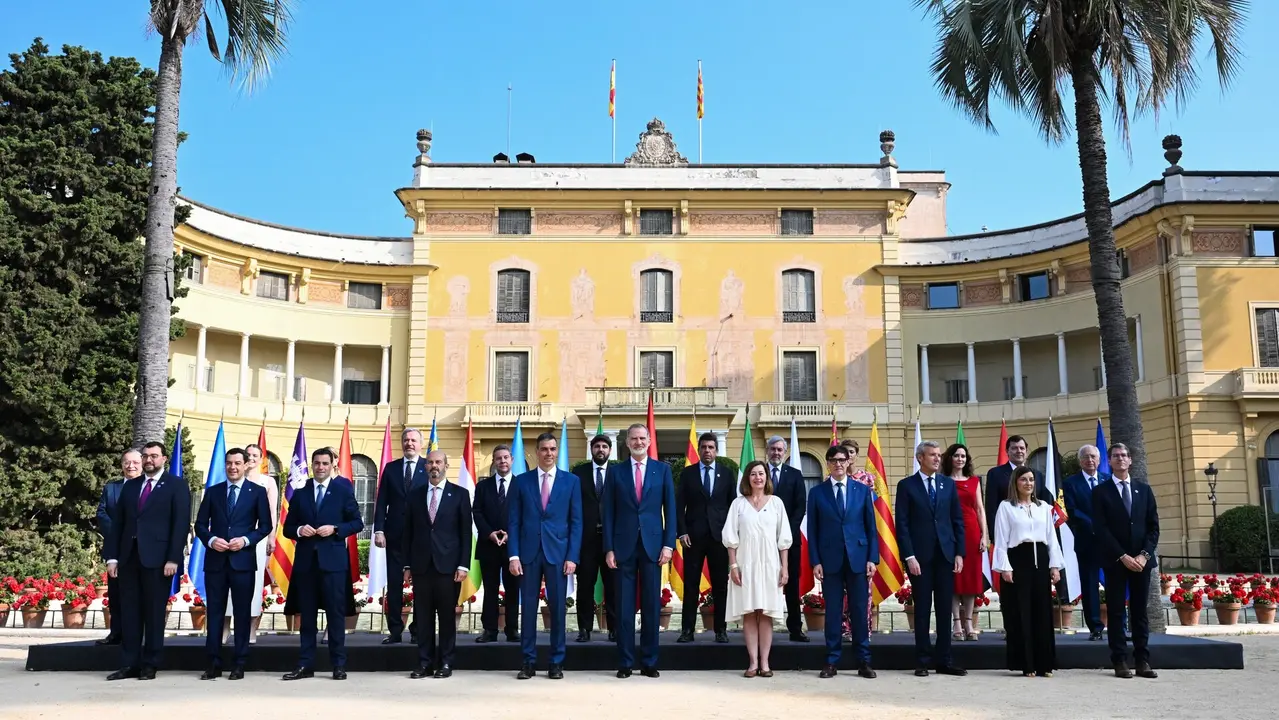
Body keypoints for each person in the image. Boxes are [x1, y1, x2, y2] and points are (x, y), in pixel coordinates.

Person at [105, 441, 192, 681]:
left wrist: (173, 558)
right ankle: (129, 664)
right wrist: (112, 557)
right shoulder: (131, 487)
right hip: (129, 558)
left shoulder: (177, 485)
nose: (148, 460)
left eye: (153, 456)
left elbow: (180, 524)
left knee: (154, 613)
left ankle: (150, 664)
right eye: (145, 456)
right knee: (130, 612)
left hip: (158, 560)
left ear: (164, 459)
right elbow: (118, 524)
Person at [282, 448, 364, 681]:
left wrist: (336, 529)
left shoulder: (342, 490)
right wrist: (299, 530)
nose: (320, 467)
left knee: (335, 617)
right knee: (306, 618)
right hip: (307, 564)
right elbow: (288, 528)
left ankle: (338, 665)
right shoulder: (300, 492)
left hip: (334, 564)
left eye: (325, 463)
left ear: (332, 465)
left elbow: (357, 522)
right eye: (316, 463)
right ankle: (305, 665)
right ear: (312, 465)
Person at [194, 448, 274, 680]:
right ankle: (213, 663)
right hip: (216, 562)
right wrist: (211, 540)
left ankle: (239, 663)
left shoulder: (257, 492)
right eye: (229, 463)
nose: (233, 467)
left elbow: (265, 526)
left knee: (241, 613)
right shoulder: (213, 492)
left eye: (238, 463)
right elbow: (200, 525)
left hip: (243, 562)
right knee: (215, 613)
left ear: (245, 464)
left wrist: (246, 540)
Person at [603, 423, 676, 679]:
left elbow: (671, 511)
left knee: (651, 607)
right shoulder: (615, 472)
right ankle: (624, 662)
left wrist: (669, 545)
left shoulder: (662, 471)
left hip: (653, 547)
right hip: (622, 548)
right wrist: (609, 548)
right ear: (627, 442)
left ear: (649, 441)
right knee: (623, 608)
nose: (638, 442)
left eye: (642, 438)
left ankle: (649, 661)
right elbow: (608, 513)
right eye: (633, 438)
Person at [508, 432, 583, 680]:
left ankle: (556, 662)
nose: (549, 453)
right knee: (528, 609)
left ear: (556, 451)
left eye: (552, 449)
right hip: (528, 554)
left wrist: (572, 556)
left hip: (559, 555)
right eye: (544, 449)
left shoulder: (571, 481)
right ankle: (528, 662)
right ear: (536, 452)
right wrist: (513, 556)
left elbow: (576, 522)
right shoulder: (521, 481)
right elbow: (514, 522)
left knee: (558, 610)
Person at [895, 440, 967, 677]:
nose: (937, 458)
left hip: (946, 556)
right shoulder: (907, 486)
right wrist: (909, 556)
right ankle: (923, 661)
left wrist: (959, 552)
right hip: (920, 559)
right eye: (932, 455)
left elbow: (957, 520)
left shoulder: (947, 485)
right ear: (920, 458)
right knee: (923, 609)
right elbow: (902, 525)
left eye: (938, 455)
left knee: (945, 610)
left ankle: (944, 660)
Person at [808, 445, 879, 679]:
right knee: (834, 613)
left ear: (848, 462)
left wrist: (872, 558)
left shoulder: (862, 490)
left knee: (860, 611)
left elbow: (871, 527)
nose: (838, 463)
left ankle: (864, 661)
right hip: (830, 561)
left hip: (858, 559)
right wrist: (815, 561)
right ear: (828, 464)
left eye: (842, 459)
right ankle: (831, 661)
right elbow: (813, 530)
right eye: (833, 460)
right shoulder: (817, 493)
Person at [1091, 443, 1160, 679]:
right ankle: (1119, 660)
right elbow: (1101, 529)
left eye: (1124, 455)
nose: (1120, 459)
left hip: (1142, 562)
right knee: (1117, 612)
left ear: (1130, 460)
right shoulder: (1101, 492)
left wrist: (1143, 556)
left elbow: (1153, 529)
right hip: (1115, 561)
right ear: (1108, 461)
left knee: (1140, 612)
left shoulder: (1144, 490)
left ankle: (1143, 661)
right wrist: (1122, 556)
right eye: (1115, 456)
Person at [403, 450, 472, 679]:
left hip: (448, 567)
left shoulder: (460, 494)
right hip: (422, 566)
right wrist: (406, 566)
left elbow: (465, 532)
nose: (434, 466)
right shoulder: (415, 494)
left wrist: (463, 565)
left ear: (446, 465)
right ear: (425, 466)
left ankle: (446, 662)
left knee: (446, 618)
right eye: (430, 462)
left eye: (438, 462)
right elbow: (409, 532)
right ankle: (425, 663)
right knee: (422, 618)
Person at [723, 460, 793, 678]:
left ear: (766, 477)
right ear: (748, 478)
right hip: (745, 564)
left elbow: (784, 539)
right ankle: (752, 663)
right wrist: (733, 565)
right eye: (753, 474)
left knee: (765, 613)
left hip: (770, 564)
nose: (758, 478)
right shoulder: (738, 504)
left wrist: (785, 568)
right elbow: (730, 538)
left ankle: (765, 663)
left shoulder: (776, 503)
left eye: (761, 473)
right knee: (749, 613)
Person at [992, 466, 1063, 677]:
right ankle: (1027, 664)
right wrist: (1005, 567)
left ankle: (1045, 664)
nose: (1028, 483)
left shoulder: (1044, 508)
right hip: (1017, 561)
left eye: (1031, 479)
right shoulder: (1006, 507)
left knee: (1042, 612)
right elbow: (1001, 540)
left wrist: (1055, 565)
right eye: (1024, 479)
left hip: (1040, 561)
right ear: (1015, 482)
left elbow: (1052, 539)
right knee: (1020, 612)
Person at [676, 432, 735, 644]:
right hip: (693, 537)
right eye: (704, 447)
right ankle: (687, 631)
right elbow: (678, 506)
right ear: (698, 450)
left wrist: (731, 535)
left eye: (711, 447)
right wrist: (681, 531)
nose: (707, 451)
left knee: (721, 585)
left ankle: (721, 630)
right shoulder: (688, 474)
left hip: (719, 538)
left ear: (716, 450)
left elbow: (732, 507)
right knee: (691, 585)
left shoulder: (727, 474)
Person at [374, 428, 425, 644]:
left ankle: (417, 629)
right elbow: (382, 500)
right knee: (394, 585)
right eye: (406, 440)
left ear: (420, 444)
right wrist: (379, 529)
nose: (409, 443)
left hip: (421, 537)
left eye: (413, 440)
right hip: (394, 536)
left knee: (422, 586)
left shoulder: (429, 466)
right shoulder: (391, 468)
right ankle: (395, 630)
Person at [225, 443, 278, 645]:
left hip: (257, 538)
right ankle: (225, 627)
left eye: (256, 455)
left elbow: (271, 513)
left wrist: (271, 537)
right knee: (228, 584)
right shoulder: (233, 478)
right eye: (249, 455)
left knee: (255, 585)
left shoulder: (267, 482)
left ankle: (251, 629)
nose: (252, 458)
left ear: (261, 458)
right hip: (230, 539)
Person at [572, 434, 617, 642]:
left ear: (610, 450)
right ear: (591, 449)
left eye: (604, 446)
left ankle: (614, 629)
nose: (601, 449)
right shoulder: (578, 473)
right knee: (585, 586)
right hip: (586, 540)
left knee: (613, 586)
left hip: (611, 541)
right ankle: (584, 629)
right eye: (597, 446)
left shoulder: (618, 472)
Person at [473, 444, 520, 643]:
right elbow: (477, 512)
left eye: (506, 457)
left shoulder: (522, 485)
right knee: (490, 589)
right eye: (498, 458)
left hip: (513, 547)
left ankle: (512, 630)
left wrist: (511, 534)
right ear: (493, 462)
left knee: (513, 589)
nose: (502, 461)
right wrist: (489, 533)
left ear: (512, 460)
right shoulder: (483, 486)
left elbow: (526, 514)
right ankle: (489, 630)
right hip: (488, 545)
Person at [763, 435, 809, 642]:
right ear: (767, 450)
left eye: (780, 450)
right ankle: (763, 630)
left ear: (785, 452)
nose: (776, 453)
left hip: (789, 540)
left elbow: (800, 506)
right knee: (764, 584)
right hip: (763, 540)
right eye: (773, 449)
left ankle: (795, 629)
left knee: (791, 584)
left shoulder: (795, 475)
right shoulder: (758, 473)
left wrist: (785, 532)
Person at [1064, 444, 1111, 641]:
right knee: (1090, 585)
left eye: (1093, 456)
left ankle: (1118, 625)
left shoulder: (1108, 480)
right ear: (1080, 461)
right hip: (1086, 541)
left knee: (1114, 584)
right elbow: (1072, 511)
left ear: (1099, 460)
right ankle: (1096, 627)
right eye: (1085, 457)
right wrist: (1094, 526)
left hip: (1110, 543)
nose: (1090, 460)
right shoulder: (1070, 483)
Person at [942, 443, 988, 641]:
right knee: (954, 578)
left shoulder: (974, 482)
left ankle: (969, 622)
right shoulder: (942, 481)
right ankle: (956, 623)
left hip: (971, 532)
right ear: (950, 458)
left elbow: (979, 508)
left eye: (963, 456)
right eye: (956, 455)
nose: (960, 459)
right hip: (949, 532)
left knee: (970, 579)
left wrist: (984, 535)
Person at [95, 449, 141, 646]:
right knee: (116, 593)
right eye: (126, 462)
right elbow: (102, 513)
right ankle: (116, 633)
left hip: (140, 549)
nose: (130, 466)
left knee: (139, 595)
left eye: (134, 462)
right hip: (116, 549)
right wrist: (118, 532)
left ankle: (138, 636)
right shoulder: (111, 488)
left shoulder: (148, 488)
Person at [840, 438, 875, 641]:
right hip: (841, 543)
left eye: (852, 452)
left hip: (860, 541)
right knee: (843, 592)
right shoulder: (833, 479)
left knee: (864, 592)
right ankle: (844, 627)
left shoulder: (867, 479)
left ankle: (864, 628)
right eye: (845, 452)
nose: (849, 456)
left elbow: (871, 513)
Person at [985, 435, 1053, 535]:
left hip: (1035, 530)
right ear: (1007, 451)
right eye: (1014, 448)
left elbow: (1045, 501)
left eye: (1022, 448)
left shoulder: (1037, 475)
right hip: (1008, 530)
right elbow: (991, 506)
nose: (1019, 451)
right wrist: (994, 534)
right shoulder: (995, 474)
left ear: (1026, 451)